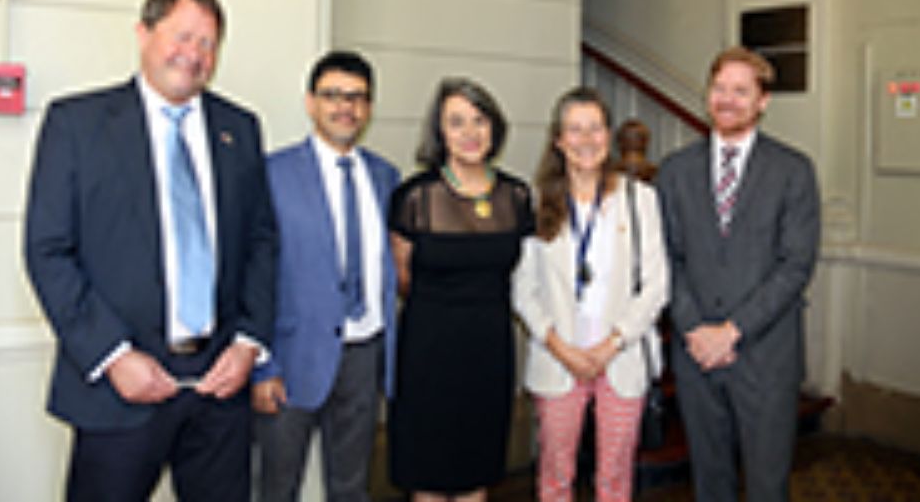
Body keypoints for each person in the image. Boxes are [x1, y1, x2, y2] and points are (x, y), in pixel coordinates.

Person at [23, 0, 279, 501]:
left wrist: (248, 344)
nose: (195, 55)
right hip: (120, 391)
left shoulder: (240, 128)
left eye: (208, 43)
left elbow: (262, 243)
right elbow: (48, 249)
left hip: (219, 391)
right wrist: (115, 355)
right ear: (143, 33)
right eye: (182, 36)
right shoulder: (78, 125)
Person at [656, 47, 820, 502]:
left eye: (741, 91)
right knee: (710, 485)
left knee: (768, 487)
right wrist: (693, 329)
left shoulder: (793, 171)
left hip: (765, 357)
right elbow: (666, 258)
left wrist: (731, 331)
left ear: (763, 101)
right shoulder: (674, 171)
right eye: (719, 88)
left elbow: (796, 265)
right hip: (696, 356)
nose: (727, 99)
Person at [252, 50, 400, 501]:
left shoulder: (385, 177)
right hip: (291, 360)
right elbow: (252, 276)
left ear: (369, 108)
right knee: (278, 487)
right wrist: (262, 366)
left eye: (357, 97)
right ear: (310, 102)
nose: (345, 107)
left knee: (351, 486)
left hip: (363, 354)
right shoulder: (272, 173)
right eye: (333, 95)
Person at [513, 87, 669, 502]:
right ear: (559, 140)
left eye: (595, 128)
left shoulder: (641, 201)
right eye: (575, 130)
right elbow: (523, 289)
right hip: (557, 359)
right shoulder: (535, 201)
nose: (586, 139)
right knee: (555, 477)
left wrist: (612, 343)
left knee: (615, 481)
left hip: (620, 357)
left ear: (609, 135)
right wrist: (559, 346)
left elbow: (656, 284)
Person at [387, 77, 534, 501]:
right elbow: (403, 278)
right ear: (440, 133)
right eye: (456, 122)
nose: (470, 132)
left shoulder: (517, 196)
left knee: (476, 473)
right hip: (429, 352)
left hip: (488, 350)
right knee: (429, 477)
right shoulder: (415, 197)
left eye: (479, 120)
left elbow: (522, 273)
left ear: (495, 128)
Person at [615, 118, 657, 183]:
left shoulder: (606, 174)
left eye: (636, 137)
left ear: (619, 142)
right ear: (646, 141)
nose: (633, 140)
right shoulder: (658, 174)